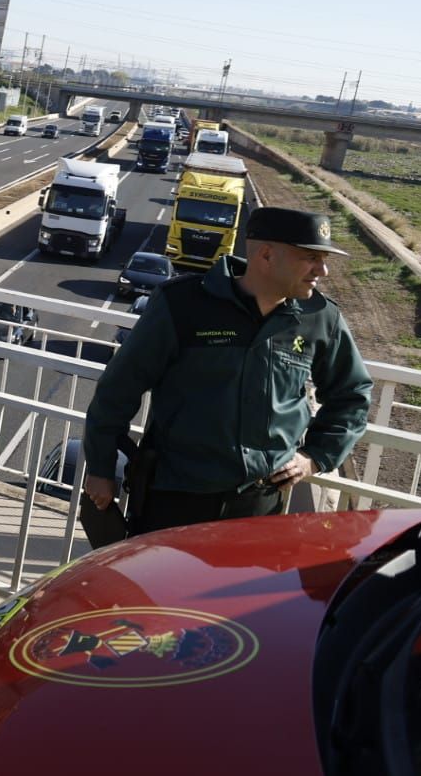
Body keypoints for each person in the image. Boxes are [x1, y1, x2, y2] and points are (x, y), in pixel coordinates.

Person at [83, 207, 372, 535]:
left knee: (239, 589)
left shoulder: (320, 318)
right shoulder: (182, 304)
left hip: (261, 506)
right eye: (311, 258)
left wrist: (315, 457)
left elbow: (353, 394)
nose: (324, 270)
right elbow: (118, 389)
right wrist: (101, 468)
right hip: (176, 500)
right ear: (266, 255)